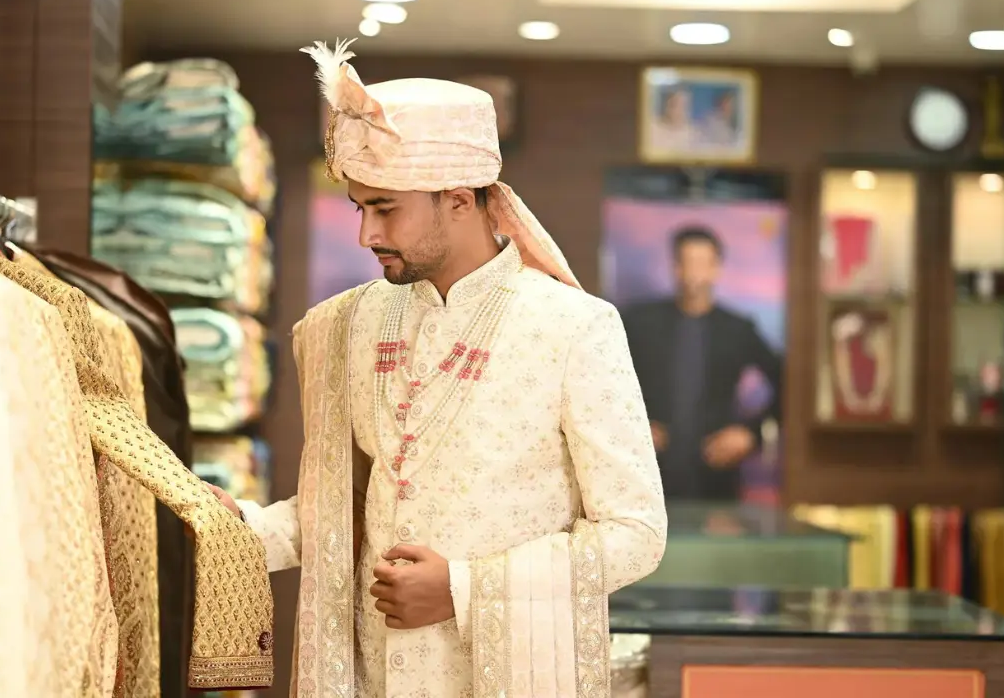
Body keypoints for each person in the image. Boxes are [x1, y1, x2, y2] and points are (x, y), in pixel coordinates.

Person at [206, 38, 667, 697]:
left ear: (459, 199)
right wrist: (244, 532)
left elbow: (636, 535)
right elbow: (346, 509)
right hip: (373, 675)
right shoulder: (345, 324)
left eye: (386, 208)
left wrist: (461, 589)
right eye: (360, 207)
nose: (366, 235)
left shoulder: (574, 327)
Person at [621, 226, 782, 502]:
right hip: (646, 470)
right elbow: (603, 381)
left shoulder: (737, 329)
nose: (694, 272)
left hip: (716, 473)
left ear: (717, 268)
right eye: (686, 262)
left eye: (703, 263)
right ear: (675, 267)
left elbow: (787, 381)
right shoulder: (639, 323)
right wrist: (631, 423)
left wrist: (750, 433)